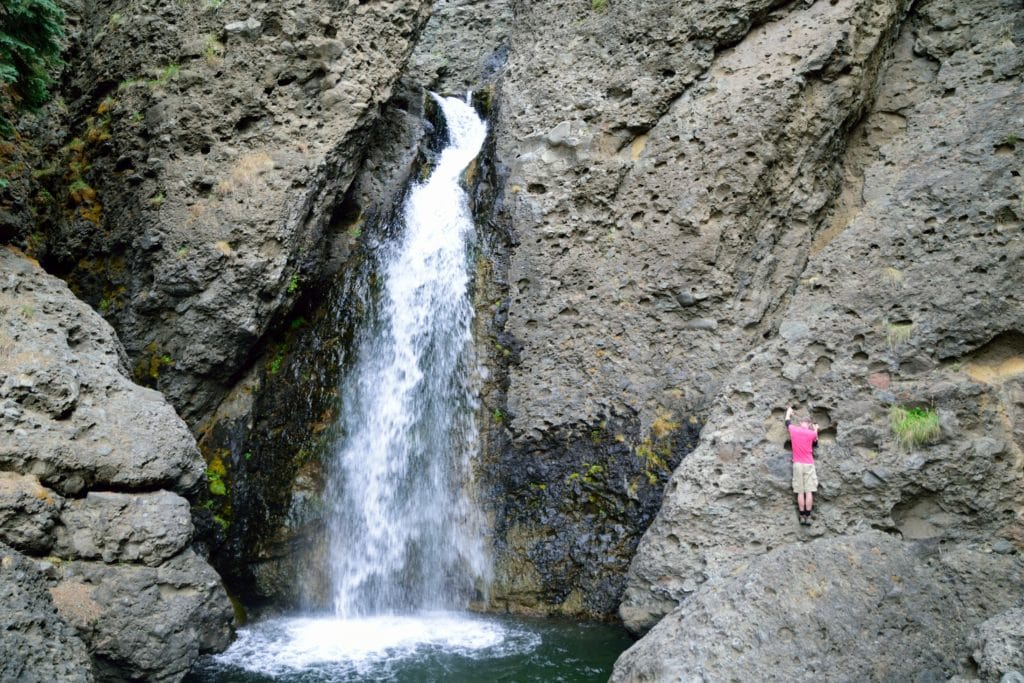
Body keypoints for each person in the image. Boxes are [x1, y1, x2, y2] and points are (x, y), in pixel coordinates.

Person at [785, 405, 819, 525]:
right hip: (809, 464)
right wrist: (815, 429)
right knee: (809, 492)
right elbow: (816, 442)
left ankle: (801, 516)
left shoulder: (794, 430)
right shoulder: (811, 434)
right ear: (809, 424)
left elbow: (787, 422)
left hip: (798, 464)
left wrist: (788, 412)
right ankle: (808, 516)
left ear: (800, 423)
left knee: (800, 492)